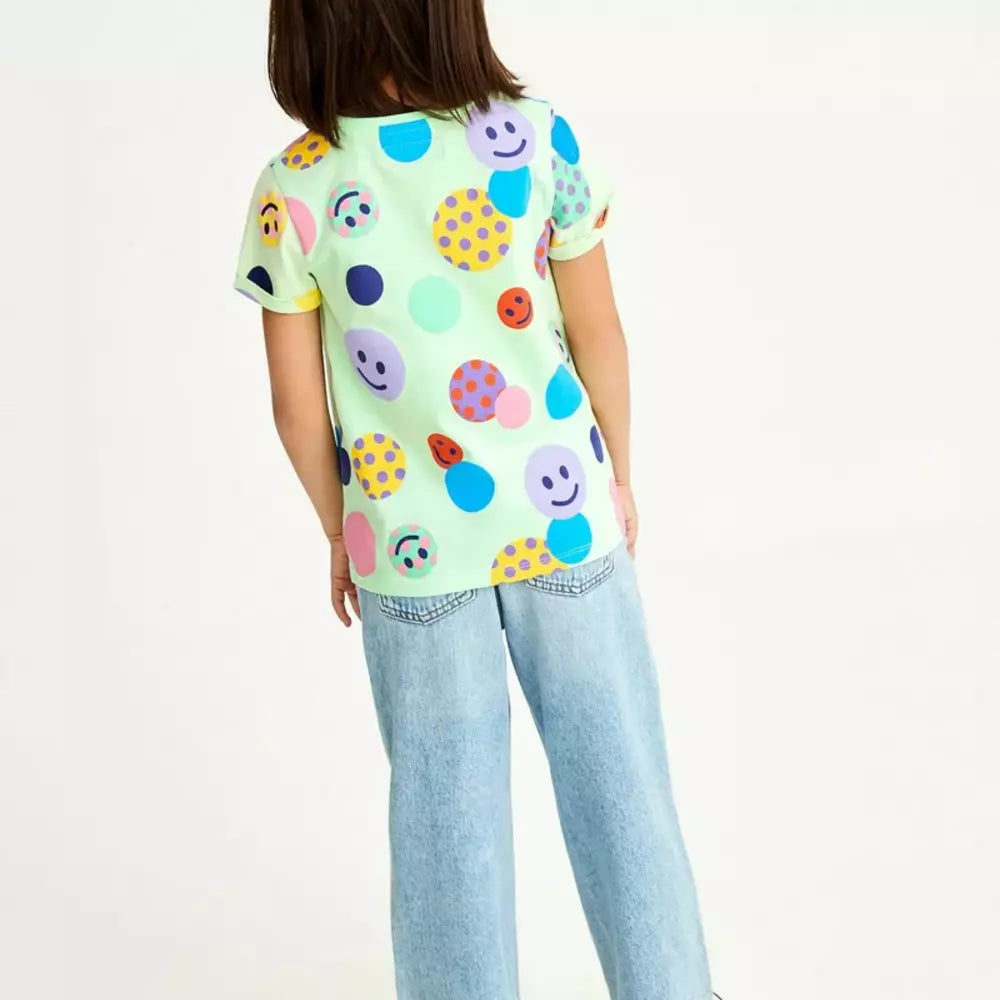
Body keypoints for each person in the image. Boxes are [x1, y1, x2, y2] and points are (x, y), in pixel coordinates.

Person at [234, 2, 712, 997]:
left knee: (443, 816)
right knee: (621, 782)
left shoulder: (297, 183)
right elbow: (601, 334)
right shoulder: (537, 140)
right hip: (562, 520)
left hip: (408, 544)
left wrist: (340, 526)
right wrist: (618, 475)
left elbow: (293, 407)